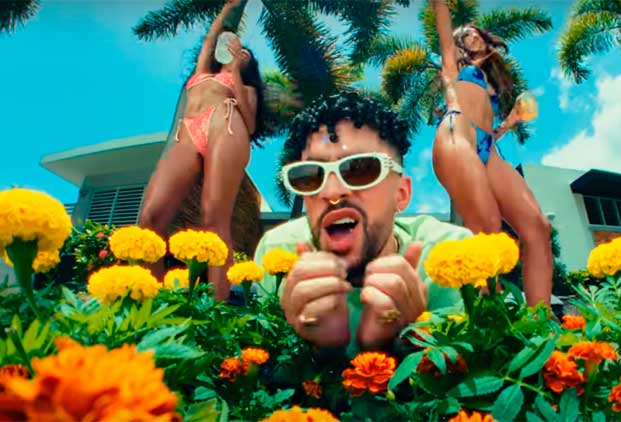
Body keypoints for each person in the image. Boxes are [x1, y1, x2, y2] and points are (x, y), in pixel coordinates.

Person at [252, 92, 472, 355]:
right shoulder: (279, 255)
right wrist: (318, 350)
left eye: (359, 169)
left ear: (401, 194)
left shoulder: (449, 256)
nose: (332, 192)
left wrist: (403, 339)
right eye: (310, 175)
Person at [139, 0, 266, 301]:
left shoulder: (245, 88)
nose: (238, 52)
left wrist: (235, 71)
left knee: (214, 217)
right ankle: (151, 301)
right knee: (151, 216)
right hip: (189, 130)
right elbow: (211, 38)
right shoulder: (201, 72)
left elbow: (249, 123)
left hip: (226, 122)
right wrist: (229, 7)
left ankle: (216, 309)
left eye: (245, 54)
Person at [430, 0, 551, 306]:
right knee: (487, 228)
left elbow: (492, 130)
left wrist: (511, 121)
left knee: (537, 226)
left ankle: (541, 319)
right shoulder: (455, 66)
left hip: (488, 145)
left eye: (474, 32)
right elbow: (443, 27)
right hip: (458, 132)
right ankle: (489, 318)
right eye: (464, 34)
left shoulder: (488, 77)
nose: (471, 35)